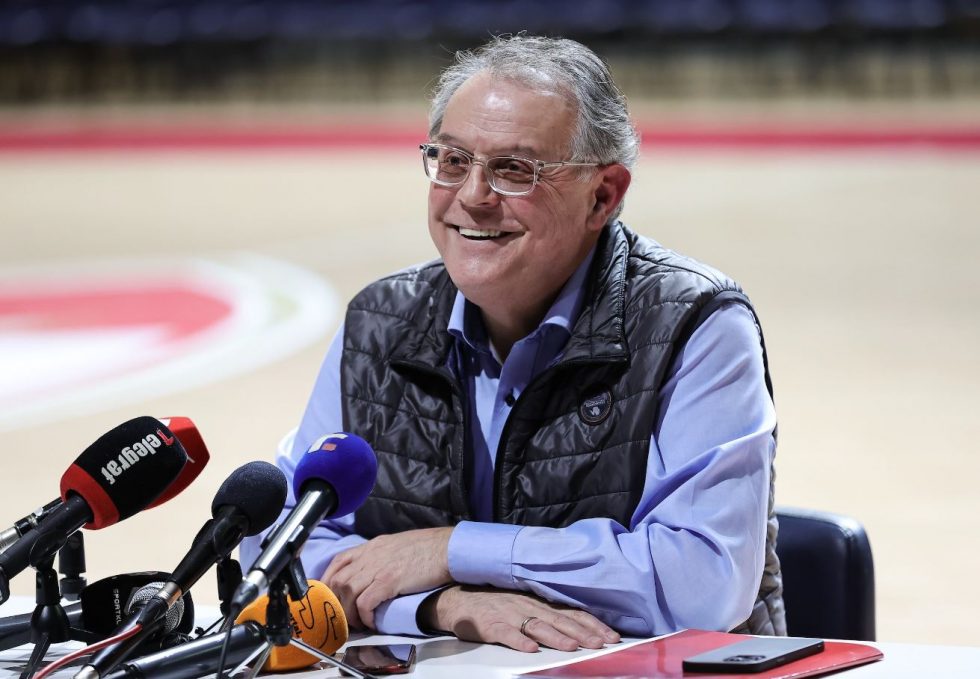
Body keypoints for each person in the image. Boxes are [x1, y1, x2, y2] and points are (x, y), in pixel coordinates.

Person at [242, 34, 785, 653]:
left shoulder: (695, 325)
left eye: (513, 170)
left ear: (603, 195)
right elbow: (278, 549)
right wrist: (439, 606)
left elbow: (703, 582)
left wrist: (453, 550)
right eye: (452, 160)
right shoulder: (378, 323)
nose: (473, 196)